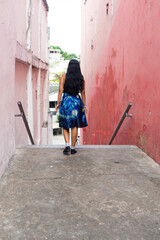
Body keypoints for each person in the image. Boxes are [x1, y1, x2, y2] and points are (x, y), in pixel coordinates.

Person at [56, 59, 88, 155]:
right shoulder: (81, 78)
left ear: (69, 67)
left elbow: (60, 90)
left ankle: (67, 146)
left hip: (66, 102)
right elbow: (83, 93)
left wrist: (58, 103)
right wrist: (84, 105)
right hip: (76, 103)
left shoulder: (63, 76)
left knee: (65, 124)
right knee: (74, 125)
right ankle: (73, 148)